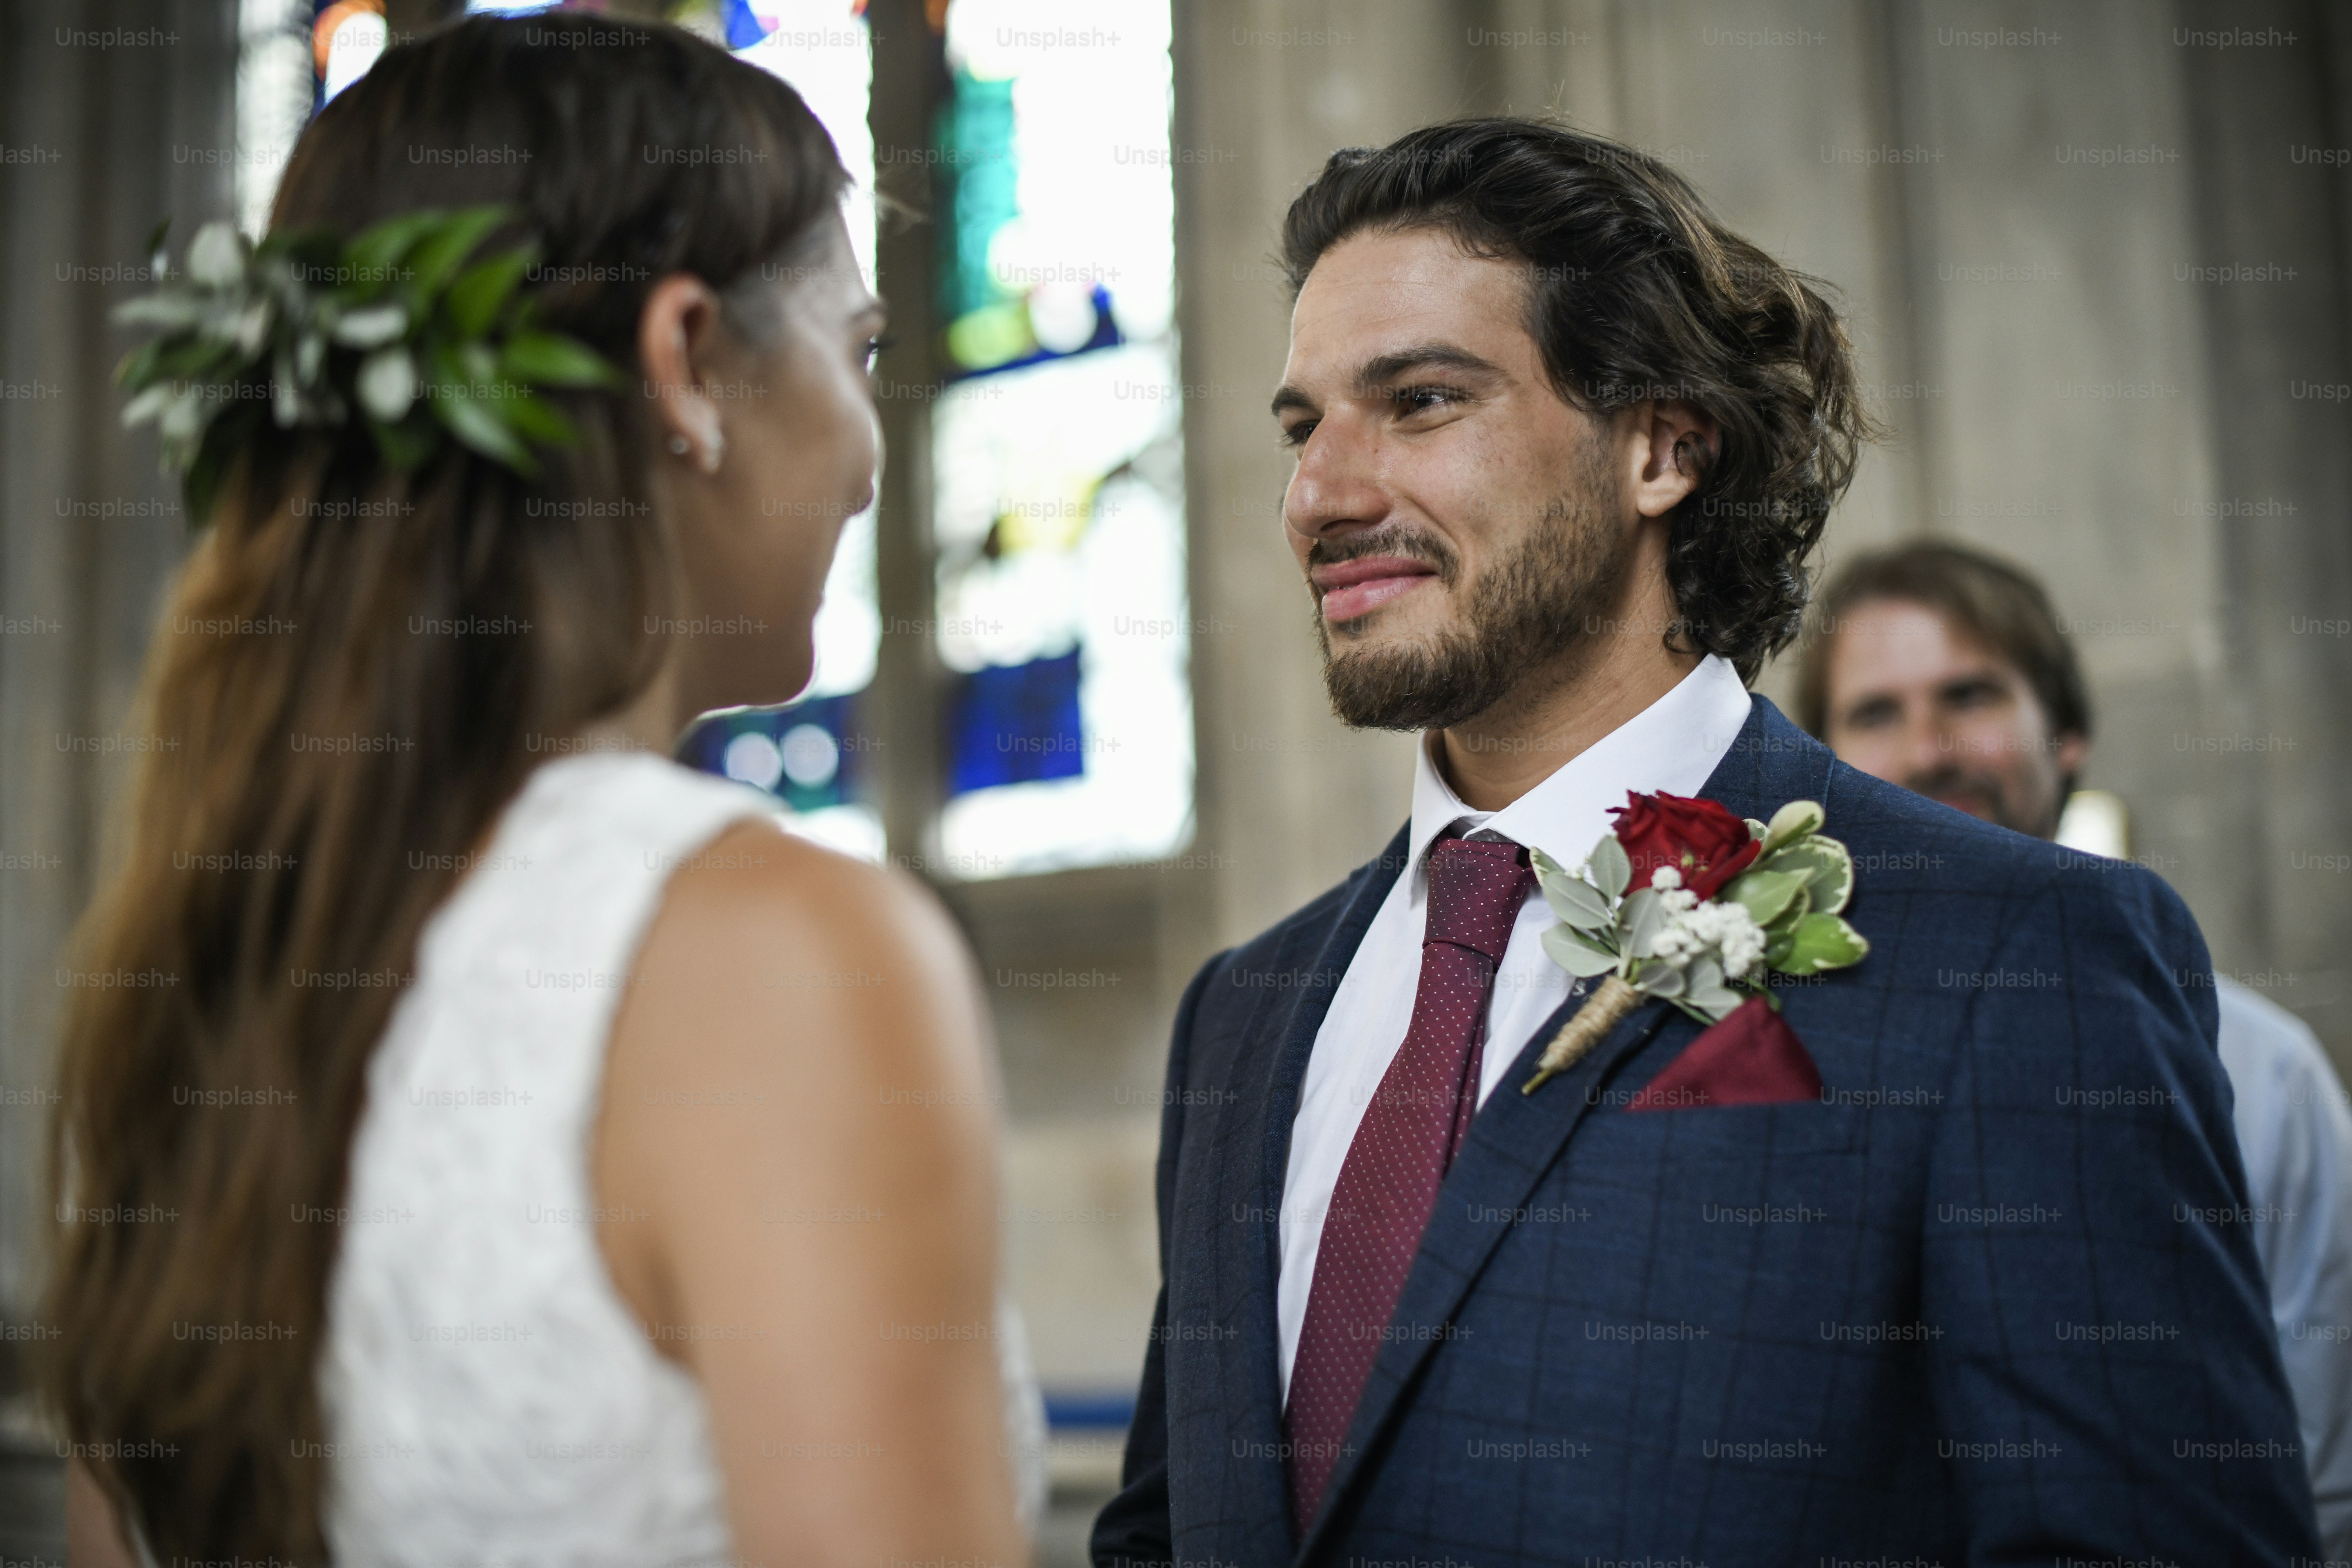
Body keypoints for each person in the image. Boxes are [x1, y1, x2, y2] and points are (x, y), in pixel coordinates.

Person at [1093, 118, 2318, 1566]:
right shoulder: (1245, 1016)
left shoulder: (2013, 960)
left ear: (1663, 446)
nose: (1320, 495)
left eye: (1418, 401)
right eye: (1304, 428)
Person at [43, 16, 1030, 1566]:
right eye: (860, 353)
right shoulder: (781, 956)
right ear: (689, 363)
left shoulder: (189, 972)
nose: (863, 459)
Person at [1800, 537, 2352, 1557]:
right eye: (1876, 713)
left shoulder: (2262, 1070)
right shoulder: (1768, 1066)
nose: (1929, 749)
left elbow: (2323, 1471)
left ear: (2067, 738)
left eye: (1970, 695)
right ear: (1819, 777)